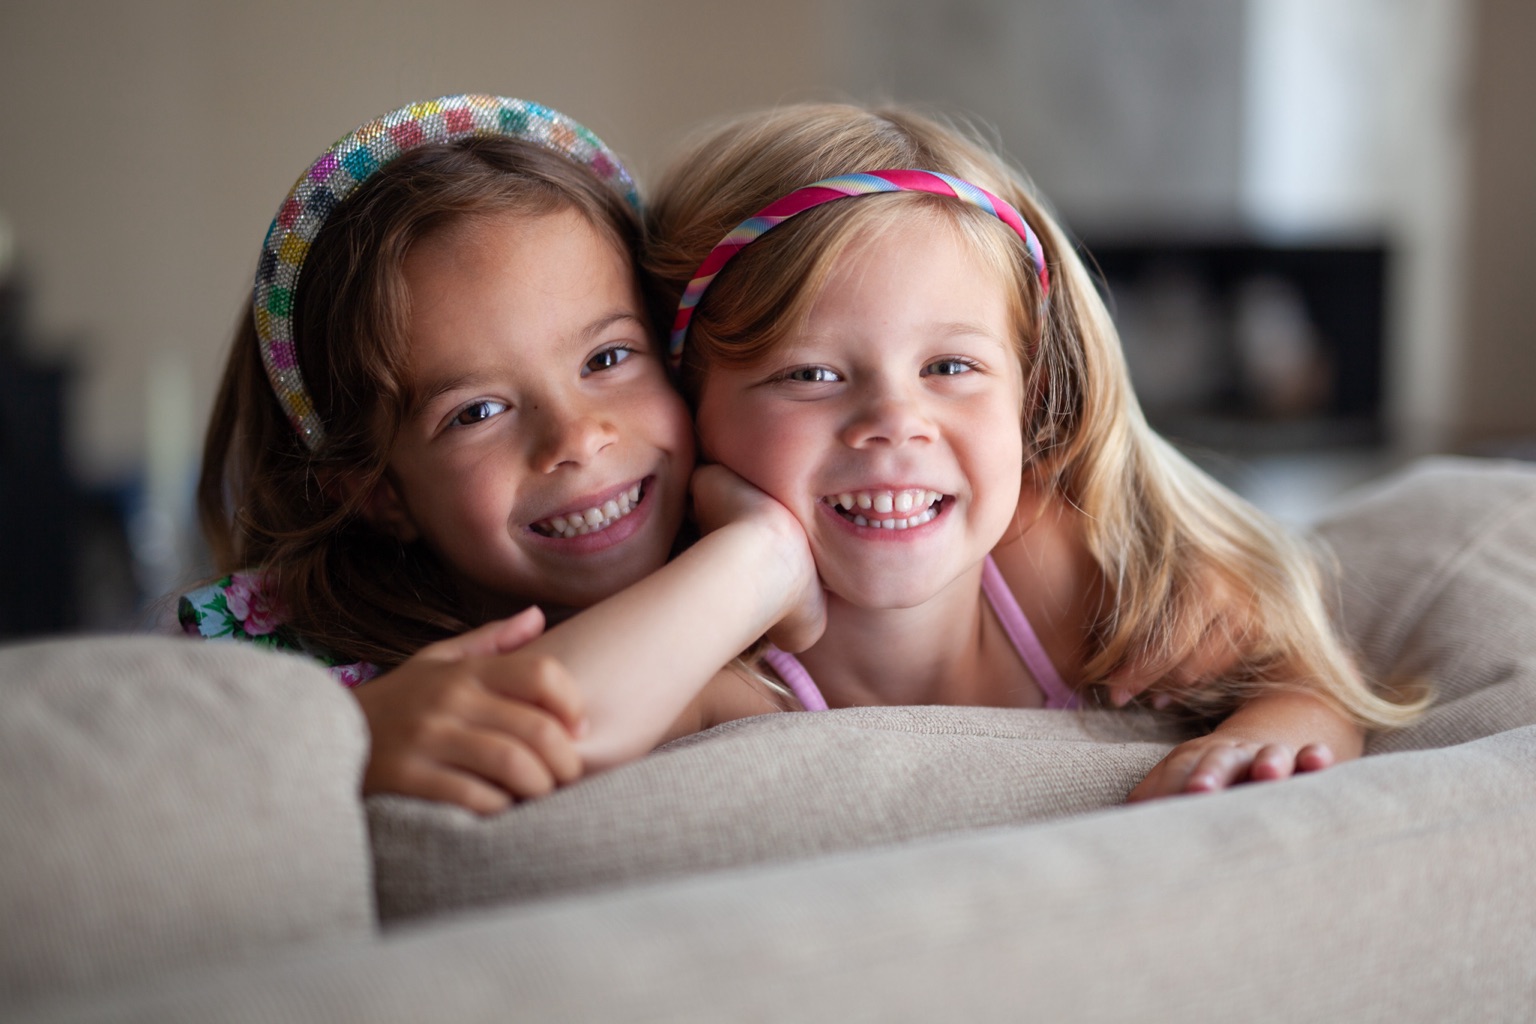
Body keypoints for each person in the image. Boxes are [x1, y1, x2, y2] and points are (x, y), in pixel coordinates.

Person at [641, 102, 1427, 799]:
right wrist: (752, 561)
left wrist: (1270, 730)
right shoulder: (727, 671)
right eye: (809, 374)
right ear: (687, 405)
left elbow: (1307, 677)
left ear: (1029, 387)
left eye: (950, 367)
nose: (894, 421)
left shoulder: (1062, 562)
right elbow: (563, 729)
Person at [184, 95, 823, 814]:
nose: (575, 438)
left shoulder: (798, 606)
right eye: (477, 412)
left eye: (607, 357)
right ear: (376, 492)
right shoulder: (308, 700)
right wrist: (764, 558)